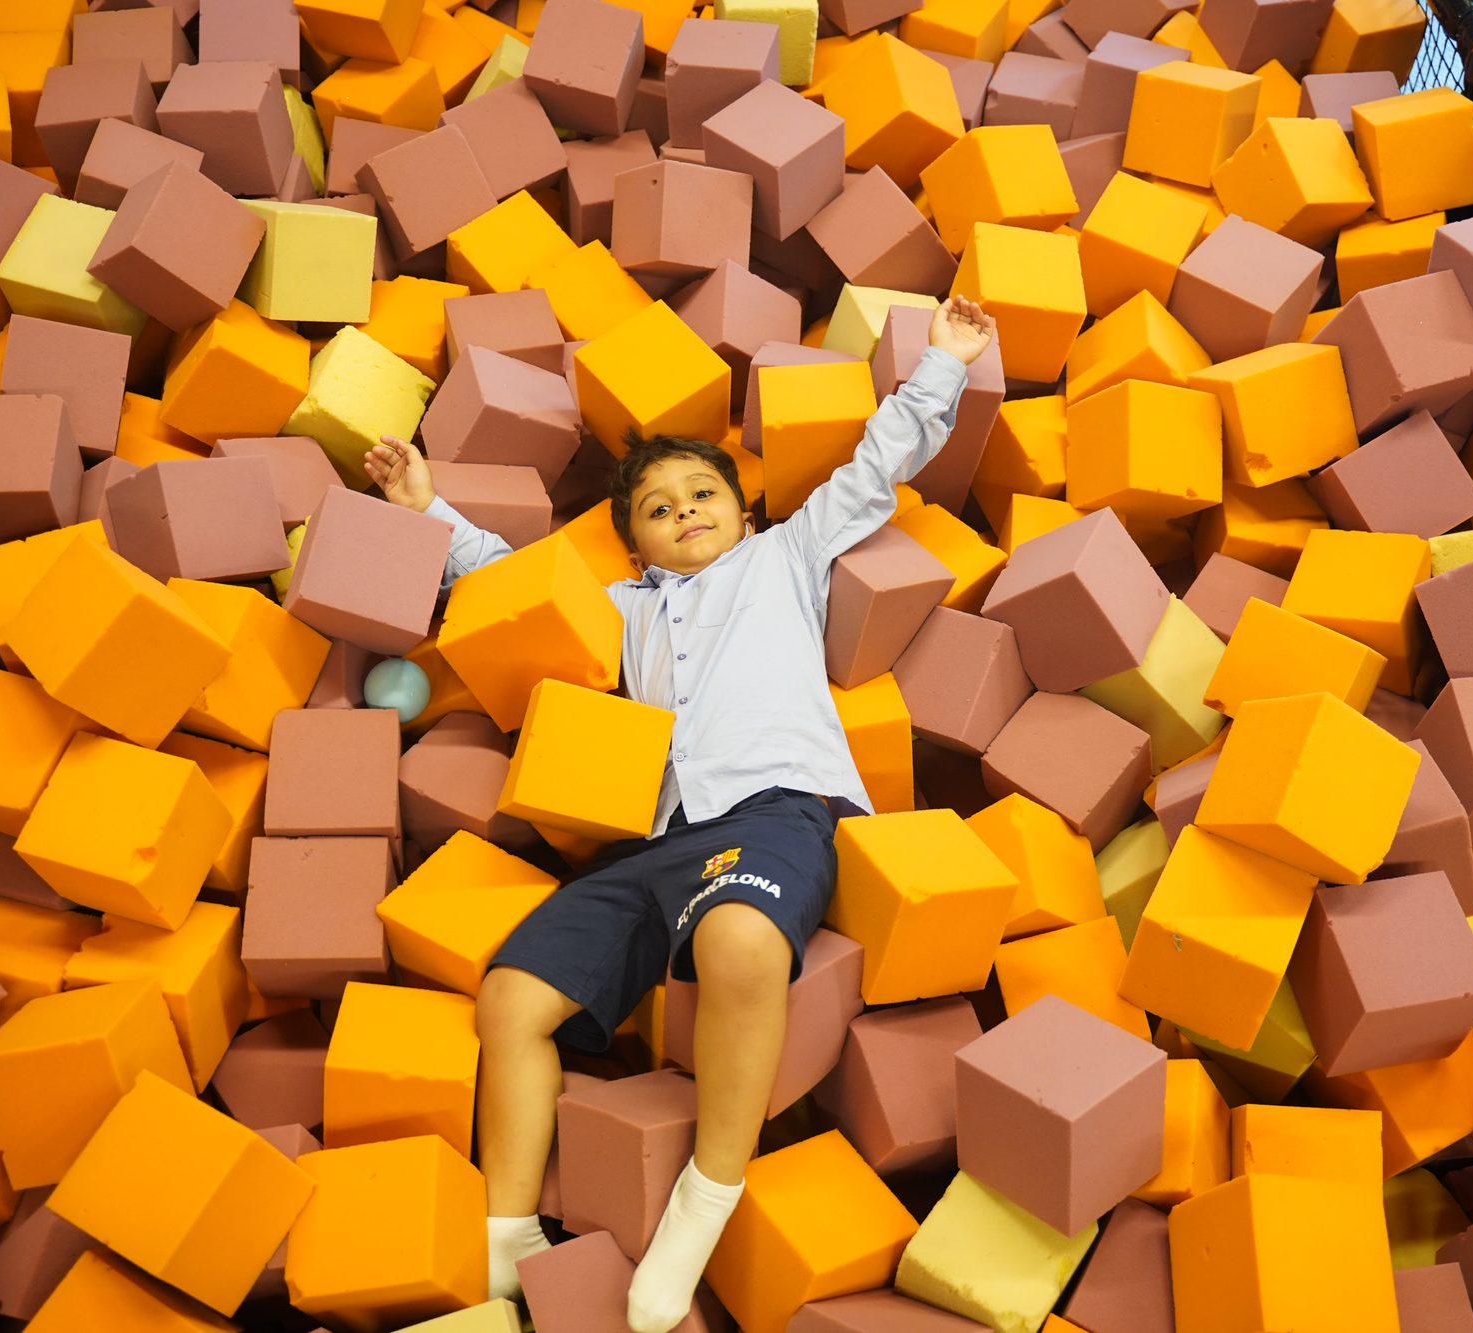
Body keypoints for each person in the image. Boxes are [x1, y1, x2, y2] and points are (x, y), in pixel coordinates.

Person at [361, 295, 998, 1333]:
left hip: (776, 812)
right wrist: (424, 506)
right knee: (513, 996)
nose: (686, 510)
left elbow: (874, 469)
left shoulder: (782, 561)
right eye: (658, 508)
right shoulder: (623, 608)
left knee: (743, 940)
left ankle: (708, 1191)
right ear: (638, 546)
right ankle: (507, 1230)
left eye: (703, 493)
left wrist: (943, 364)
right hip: (655, 837)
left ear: (742, 511)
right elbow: (516, 581)